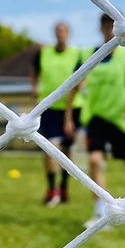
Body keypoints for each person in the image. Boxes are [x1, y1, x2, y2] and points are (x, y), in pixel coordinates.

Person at [64, 15, 125, 228]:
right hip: (96, 118)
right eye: (105, 26)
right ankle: (100, 214)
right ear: (101, 28)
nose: (109, 31)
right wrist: (69, 117)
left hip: (122, 120)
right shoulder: (89, 55)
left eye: (112, 27)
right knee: (95, 162)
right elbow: (73, 86)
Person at [28, 22, 85, 208]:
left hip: (72, 108)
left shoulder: (77, 55)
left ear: (69, 34)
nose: (61, 34)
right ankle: (52, 190)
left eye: (64, 31)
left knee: (67, 151)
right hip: (49, 108)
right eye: (58, 31)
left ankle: (64, 188)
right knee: (50, 148)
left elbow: (78, 85)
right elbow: (35, 74)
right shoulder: (44, 53)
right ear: (55, 34)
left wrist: (68, 117)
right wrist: (35, 89)